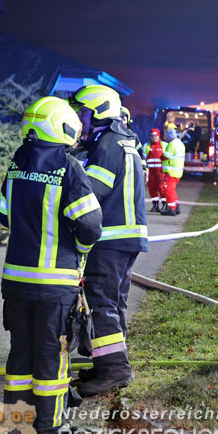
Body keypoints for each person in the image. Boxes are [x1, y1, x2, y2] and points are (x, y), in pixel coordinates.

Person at [0, 96, 102, 434]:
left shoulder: (17, 161)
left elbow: (2, 214)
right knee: (50, 357)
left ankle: (16, 425)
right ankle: (48, 429)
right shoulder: (68, 166)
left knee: (20, 353)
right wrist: (80, 253)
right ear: (63, 126)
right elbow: (90, 225)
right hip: (54, 284)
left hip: (15, 281)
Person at [69, 84, 148, 396]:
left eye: (83, 112)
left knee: (102, 303)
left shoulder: (107, 144)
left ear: (99, 112)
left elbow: (92, 193)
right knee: (115, 302)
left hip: (112, 239)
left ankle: (114, 370)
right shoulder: (125, 140)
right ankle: (109, 362)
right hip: (129, 237)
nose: (79, 118)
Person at [161, 122, 185, 216]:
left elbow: (165, 156)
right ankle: (176, 206)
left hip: (171, 172)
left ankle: (171, 208)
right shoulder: (180, 144)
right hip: (178, 172)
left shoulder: (172, 145)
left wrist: (161, 156)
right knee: (172, 189)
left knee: (168, 189)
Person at [143, 129, 166, 212]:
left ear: (159, 136)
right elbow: (144, 158)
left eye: (156, 135)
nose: (154, 137)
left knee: (161, 188)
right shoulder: (147, 146)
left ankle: (164, 204)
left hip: (161, 171)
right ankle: (155, 205)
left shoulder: (164, 145)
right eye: (152, 136)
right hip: (151, 171)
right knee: (151, 188)